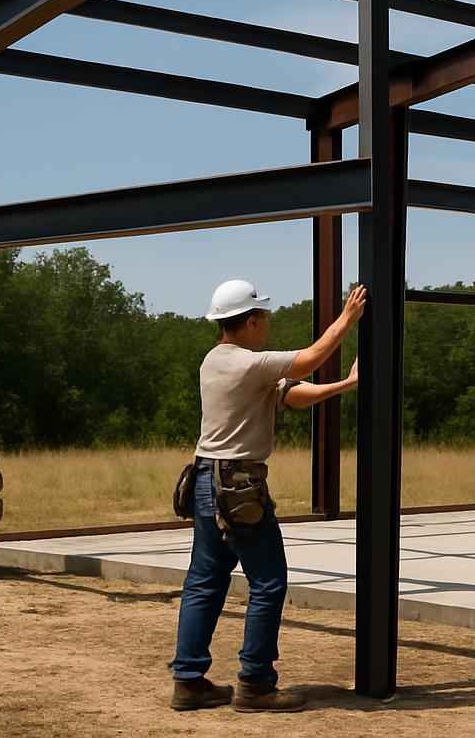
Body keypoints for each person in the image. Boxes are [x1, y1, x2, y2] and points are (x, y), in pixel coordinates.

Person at [169, 279, 367, 713]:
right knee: (268, 581)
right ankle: (255, 684)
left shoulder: (215, 361)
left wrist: (345, 384)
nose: (268, 324)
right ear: (252, 321)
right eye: (265, 316)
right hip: (237, 485)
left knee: (205, 581)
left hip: (205, 480)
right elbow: (310, 359)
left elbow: (292, 395)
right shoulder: (247, 363)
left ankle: (189, 682)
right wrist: (348, 318)